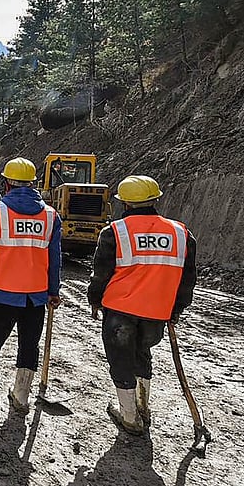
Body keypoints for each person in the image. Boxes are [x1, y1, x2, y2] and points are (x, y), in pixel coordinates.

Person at [87, 175, 197, 435]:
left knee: (121, 360)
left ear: (124, 203)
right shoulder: (181, 233)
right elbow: (187, 278)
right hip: (156, 311)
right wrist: (176, 309)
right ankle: (142, 406)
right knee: (142, 354)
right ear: (155, 200)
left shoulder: (115, 232)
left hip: (120, 311)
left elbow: (101, 274)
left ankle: (129, 417)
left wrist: (95, 299)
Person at [0, 157, 62, 412]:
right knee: (29, 344)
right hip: (36, 296)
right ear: (33, 184)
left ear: (7, 183)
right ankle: (21, 395)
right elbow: (55, 258)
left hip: (2, 293)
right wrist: (53, 290)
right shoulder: (51, 216)